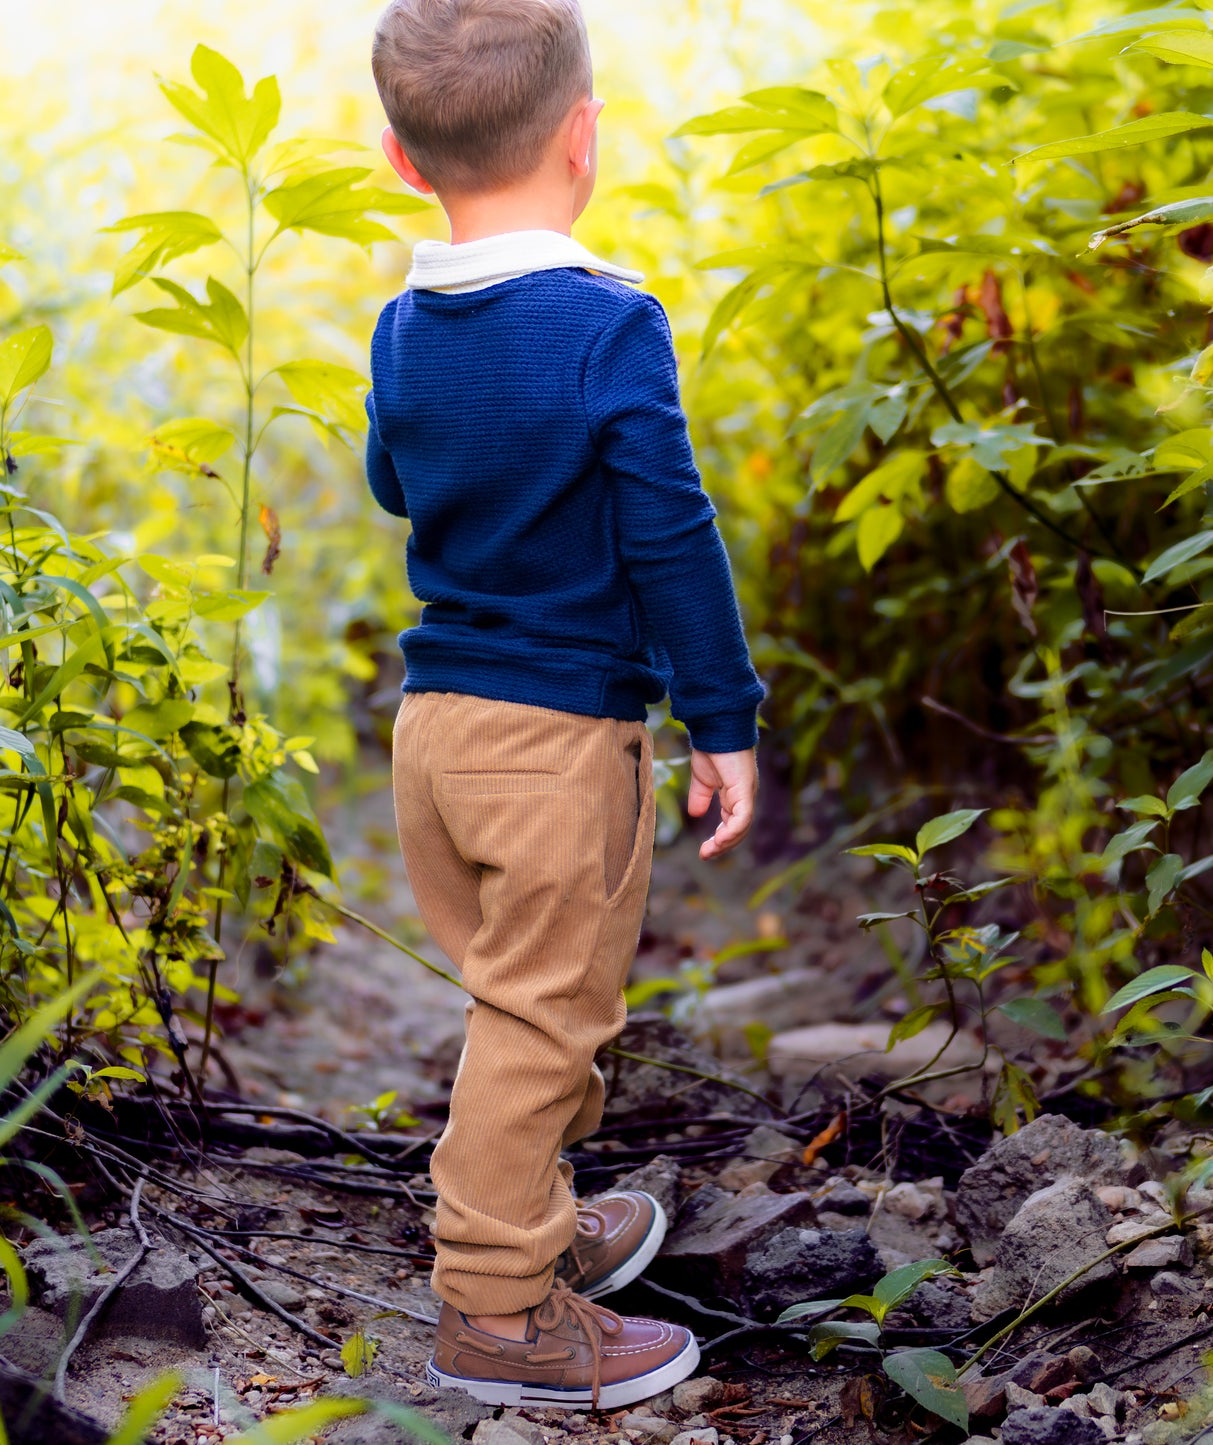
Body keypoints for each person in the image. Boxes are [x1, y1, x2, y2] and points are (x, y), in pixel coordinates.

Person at [365, 0, 766, 1411]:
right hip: (551, 743)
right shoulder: (606, 322)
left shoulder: (402, 322)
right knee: (544, 1020)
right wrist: (723, 715)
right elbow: (666, 529)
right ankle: (492, 1303)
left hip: (434, 733)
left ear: (405, 160)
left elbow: (395, 486)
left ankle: (524, 1216)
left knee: (513, 1003)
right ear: (584, 136)